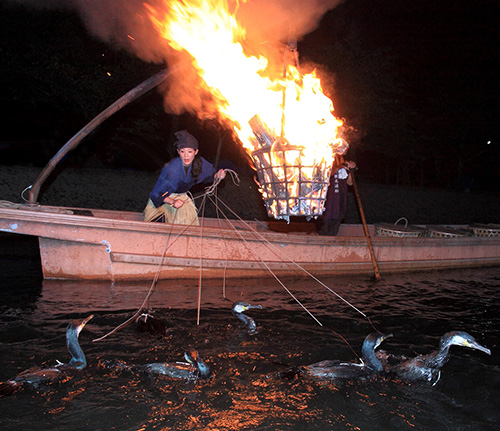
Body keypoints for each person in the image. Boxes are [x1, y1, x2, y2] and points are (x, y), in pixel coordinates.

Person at [144, 130, 226, 225]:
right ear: (178, 152)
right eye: (182, 151)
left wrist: (218, 175)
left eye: (190, 152)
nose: (186, 155)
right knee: (160, 223)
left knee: (188, 226)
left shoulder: (200, 163)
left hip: (182, 198)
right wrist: (172, 201)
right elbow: (156, 194)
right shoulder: (172, 168)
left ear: (196, 152)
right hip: (164, 202)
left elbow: (211, 175)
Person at [317, 146, 356, 236]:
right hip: (328, 197)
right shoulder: (327, 159)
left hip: (340, 197)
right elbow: (329, 173)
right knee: (326, 218)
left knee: (337, 217)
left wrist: (350, 170)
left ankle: (333, 236)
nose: (345, 150)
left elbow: (350, 183)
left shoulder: (344, 161)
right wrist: (340, 166)